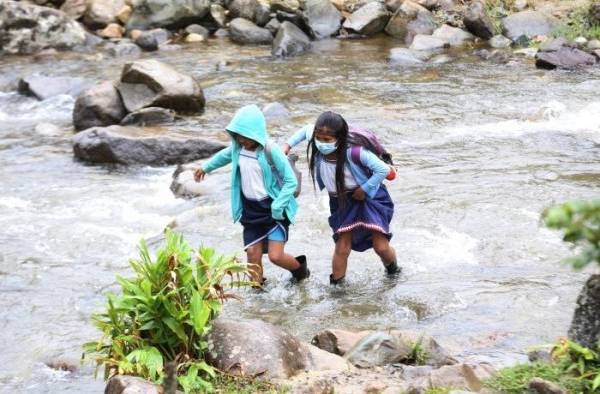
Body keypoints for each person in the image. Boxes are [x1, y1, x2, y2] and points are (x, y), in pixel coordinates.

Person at [194, 104, 309, 287]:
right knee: (252, 254)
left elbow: (290, 181)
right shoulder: (237, 149)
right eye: (238, 136)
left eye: (246, 137)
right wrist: (205, 167)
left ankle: (300, 272)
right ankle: (257, 291)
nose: (242, 140)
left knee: (275, 256)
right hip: (251, 210)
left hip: (273, 208)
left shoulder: (270, 150)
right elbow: (223, 156)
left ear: (256, 133)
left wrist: (278, 206)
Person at [284, 111, 399, 284]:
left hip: (369, 200)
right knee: (342, 247)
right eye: (319, 138)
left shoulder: (356, 153)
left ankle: (393, 272)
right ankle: (337, 287)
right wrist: (286, 146)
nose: (322, 143)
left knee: (380, 246)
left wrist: (365, 188)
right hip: (341, 202)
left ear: (341, 138)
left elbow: (383, 170)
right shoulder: (317, 141)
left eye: (327, 140)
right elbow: (304, 131)